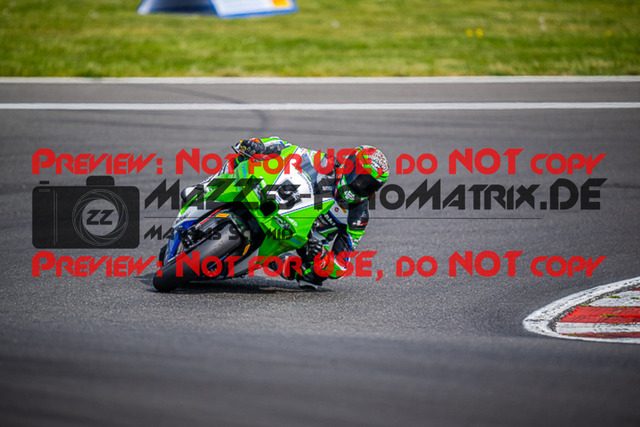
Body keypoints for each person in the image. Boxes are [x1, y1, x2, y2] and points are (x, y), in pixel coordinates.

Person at [203, 136, 389, 289]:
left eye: (368, 184)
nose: (359, 185)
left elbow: (341, 265)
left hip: (306, 241)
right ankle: (206, 189)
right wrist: (260, 145)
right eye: (359, 177)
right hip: (282, 205)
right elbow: (286, 147)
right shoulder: (323, 163)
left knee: (313, 277)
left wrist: (323, 258)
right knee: (242, 159)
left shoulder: (358, 217)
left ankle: (273, 260)